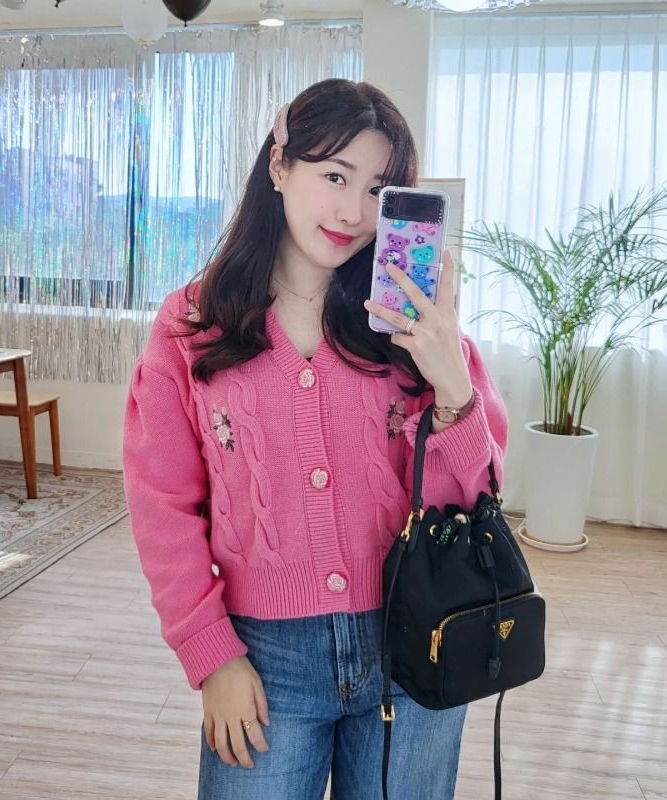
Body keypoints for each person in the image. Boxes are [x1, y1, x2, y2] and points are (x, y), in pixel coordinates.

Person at [122, 78, 508, 800]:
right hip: (265, 659)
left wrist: (452, 382)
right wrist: (210, 654)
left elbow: (478, 494)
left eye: (378, 190)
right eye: (335, 176)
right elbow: (161, 506)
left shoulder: (413, 328)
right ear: (279, 165)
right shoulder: (190, 326)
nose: (354, 212)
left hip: (417, 635)